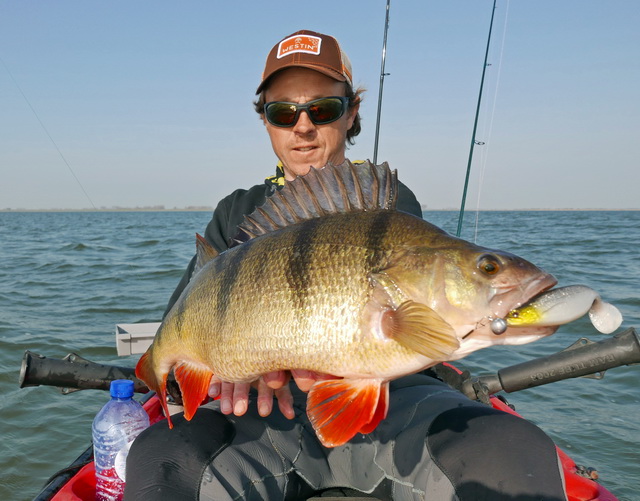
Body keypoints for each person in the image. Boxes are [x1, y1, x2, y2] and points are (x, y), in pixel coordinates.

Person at [125, 30, 568, 501]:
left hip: (393, 409)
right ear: (266, 120)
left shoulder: (390, 206)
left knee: (513, 448)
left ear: (351, 111)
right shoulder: (235, 213)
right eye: (283, 112)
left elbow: (414, 334)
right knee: (160, 458)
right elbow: (176, 344)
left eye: (322, 109)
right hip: (256, 420)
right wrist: (215, 374)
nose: (302, 126)